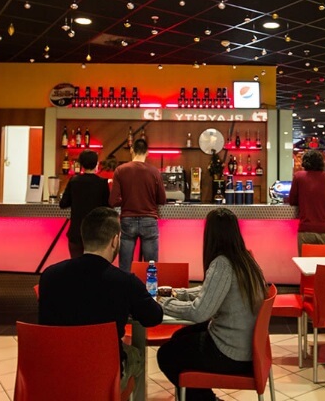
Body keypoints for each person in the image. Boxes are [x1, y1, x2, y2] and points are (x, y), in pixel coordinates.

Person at [39, 207, 163, 395]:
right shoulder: (125, 282)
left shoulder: (49, 276)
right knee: (136, 356)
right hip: (103, 375)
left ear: (84, 238)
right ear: (115, 240)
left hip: (56, 373)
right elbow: (154, 317)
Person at [156, 208, 266, 401]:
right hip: (249, 349)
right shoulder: (245, 260)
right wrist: (180, 294)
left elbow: (200, 312)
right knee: (180, 337)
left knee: (166, 355)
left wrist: (165, 303)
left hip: (230, 353)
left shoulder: (223, 264)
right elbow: (212, 290)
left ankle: (204, 399)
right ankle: (205, 397)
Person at [109, 138, 167, 271]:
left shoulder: (120, 170)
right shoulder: (154, 172)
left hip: (127, 220)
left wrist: (127, 199)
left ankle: (125, 285)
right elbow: (162, 199)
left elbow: (112, 201)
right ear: (147, 152)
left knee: (125, 267)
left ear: (131, 150)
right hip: (149, 220)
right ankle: (149, 285)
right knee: (151, 266)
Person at [59, 150, 110, 258]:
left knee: (76, 264)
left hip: (76, 232)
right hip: (96, 232)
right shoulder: (102, 183)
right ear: (96, 164)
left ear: (81, 164)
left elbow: (63, 203)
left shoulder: (74, 181)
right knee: (93, 265)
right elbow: (107, 207)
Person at [288, 149, 325, 254]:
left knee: (306, 263)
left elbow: (292, 201)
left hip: (306, 231)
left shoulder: (298, 177)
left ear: (304, 162)